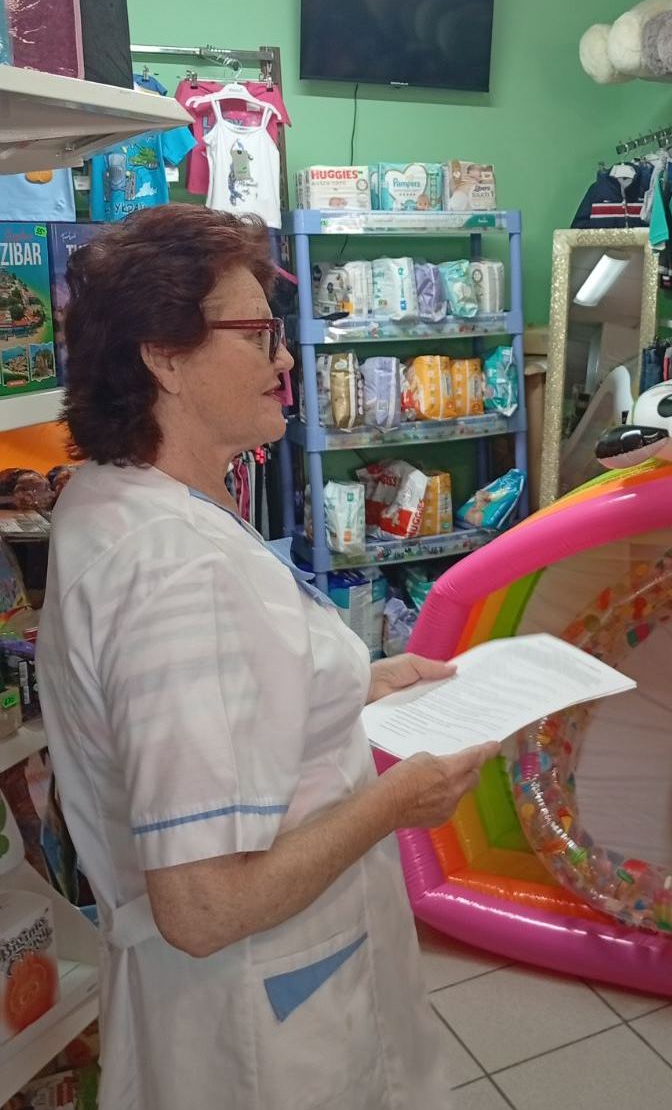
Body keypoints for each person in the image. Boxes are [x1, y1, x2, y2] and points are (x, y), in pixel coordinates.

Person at [36, 205, 497, 1110]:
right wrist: (397, 800)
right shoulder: (176, 570)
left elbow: (218, 698)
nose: (286, 359)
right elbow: (203, 905)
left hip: (255, 995)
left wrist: (355, 686)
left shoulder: (131, 498)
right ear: (163, 357)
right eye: (258, 334)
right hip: (259, 1021)